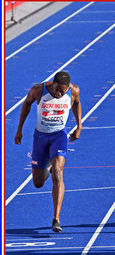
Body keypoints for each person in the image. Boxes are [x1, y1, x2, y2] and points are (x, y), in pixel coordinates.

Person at [15, 71, 82, 233]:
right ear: (53, 84)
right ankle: (47, 167)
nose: (60, 94)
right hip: (40, 137)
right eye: (58, 90)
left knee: (58, 172)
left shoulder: (74, 91)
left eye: (63, 91)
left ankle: (56, 218)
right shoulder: (39, 90)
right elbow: (26, 104)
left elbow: (76, 103)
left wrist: (79, 125)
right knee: (38, 183)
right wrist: (19, 130)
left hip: (59, 136)